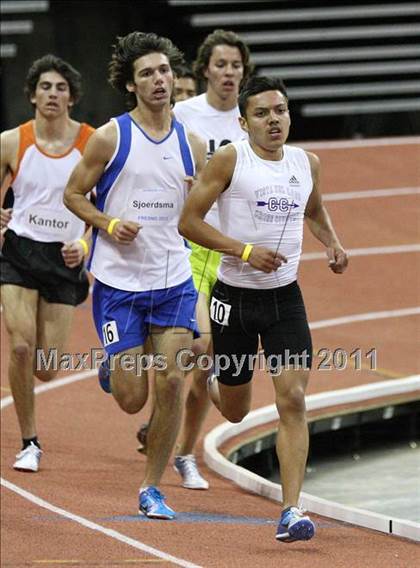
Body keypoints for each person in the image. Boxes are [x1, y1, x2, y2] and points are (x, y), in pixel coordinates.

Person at [178, 75, 348, 542]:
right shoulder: (231, 158)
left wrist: (332, 243)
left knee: (292, 399)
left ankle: (291, 510)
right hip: (233, 299)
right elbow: (189, 221)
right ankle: (216, 380)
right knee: (235, 411)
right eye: (262, 113)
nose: (274, 120)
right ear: (243, 120)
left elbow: (313, 209)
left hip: (284, 300)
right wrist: (243, 251)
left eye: (281, 110)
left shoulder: (305, 162)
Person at [64, 32, 206, 520]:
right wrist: (107, 224)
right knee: (131, 398)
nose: (159, 80)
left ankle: (151, 488)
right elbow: (74, 195)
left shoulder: (193, 143)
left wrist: (196, 198)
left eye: (164, 71)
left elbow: (202, 213)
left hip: (172, 282)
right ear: (131, 84)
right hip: (119, 286)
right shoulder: (112, 136)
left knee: (171, 381)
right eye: (146, 73)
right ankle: (114, 367)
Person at [137, 29, 253, 490]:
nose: (229, 73)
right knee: (198, 348)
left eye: (236, 66)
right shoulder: (183, 114)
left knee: (204, 358)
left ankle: (185, 452)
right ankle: (141, 376)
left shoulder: (253, 117)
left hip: (231, 251)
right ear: (205, 68)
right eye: (221, 64)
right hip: (184, 246)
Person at [0, 54, 94, 472]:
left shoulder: (92, 143)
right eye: (45, 87)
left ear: (71, 98)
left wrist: (86, 243)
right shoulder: (10, 141)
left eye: (60, 88)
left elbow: (107, 205)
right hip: (19, 253)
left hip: (63, 258)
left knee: (48, 369)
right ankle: (30, 441)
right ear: (32, 95)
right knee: (20, 346)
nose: (52, 94)